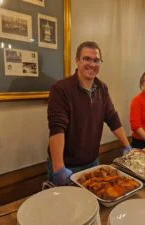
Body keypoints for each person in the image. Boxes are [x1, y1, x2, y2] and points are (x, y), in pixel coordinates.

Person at [47, 41, 131, 186]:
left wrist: (127, 146)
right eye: (87, 59)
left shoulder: (102, 88)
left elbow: (112, 118)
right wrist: (59, 168)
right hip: (67, 166)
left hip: (93, 162)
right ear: (77, 61)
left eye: (96, 60)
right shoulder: (61, 88)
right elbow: (57, 128)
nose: (92, 64)